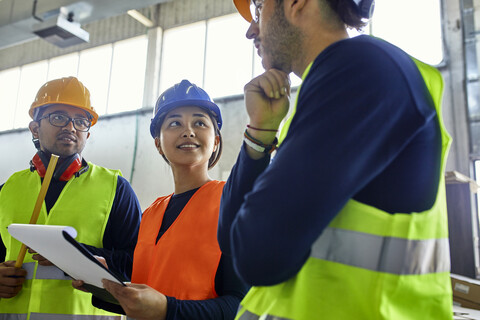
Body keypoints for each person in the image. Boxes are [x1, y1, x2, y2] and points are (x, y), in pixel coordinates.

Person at [217, 0, 453, 319]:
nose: (251, 30)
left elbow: (257, 255)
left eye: (259, 8)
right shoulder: (329, 91)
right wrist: (260, 133)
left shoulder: (363, 70)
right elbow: (232, 247)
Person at [75, 79, 247, 320]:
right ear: (158, 144)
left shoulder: (231, 202)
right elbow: (149, 301)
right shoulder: (151, 214)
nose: (188, 131)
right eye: (174, 123)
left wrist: (169, 310)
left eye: (199, 122)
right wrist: (107, 288)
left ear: (216, 140)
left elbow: (241, 306)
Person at [0, 76, 142, 319]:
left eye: (80, 121)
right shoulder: (6, 190)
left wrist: (73, 255)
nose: (70, 127)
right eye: (58, 117)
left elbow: (137, 264)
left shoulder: (116, 189)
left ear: (87, 133)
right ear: (35, 128)